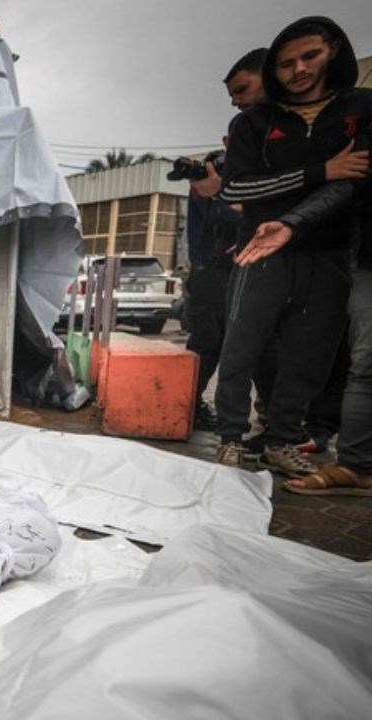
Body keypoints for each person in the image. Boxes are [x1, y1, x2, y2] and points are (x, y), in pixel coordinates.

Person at [214, 16, 369, 478]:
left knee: (310, 352)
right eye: (287, 63)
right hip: (261, 250)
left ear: (334, 52)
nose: (299, 69)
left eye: (310, 56)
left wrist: (307, 195)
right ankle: (230, 437)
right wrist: (321, 170)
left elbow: (356, 178)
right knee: (243, 344)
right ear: (273, 71)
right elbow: (235, 189)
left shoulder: (360, 110)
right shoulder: (253, 124)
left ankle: (282, 438)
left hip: (331, 251)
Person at [183, 50, 267, 432]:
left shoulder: (260, 169)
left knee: (256, 344)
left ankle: (267, 415)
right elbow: (221, 215)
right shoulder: (214, 172)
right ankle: (189, 404)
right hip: (212, 272)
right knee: (208, 342)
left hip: (248, 267)